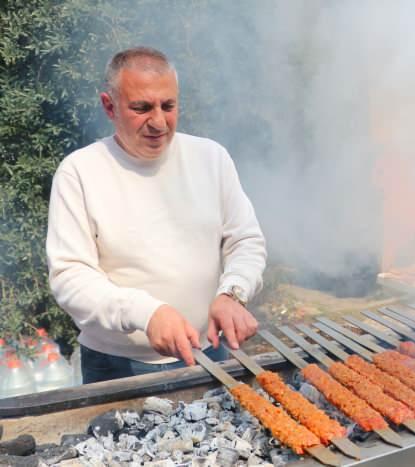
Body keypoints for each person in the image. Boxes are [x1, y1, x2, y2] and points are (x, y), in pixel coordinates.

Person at [46, 46, 267, 383]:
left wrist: (233, 293)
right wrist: (147, 314)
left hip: (210, 352)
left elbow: (245, 241)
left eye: (169, 105)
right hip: (116, 366)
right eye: (141, 108)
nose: (159, 121)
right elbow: (70, 276)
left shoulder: (211, 158)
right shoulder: (79, 171)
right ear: (109, 106)